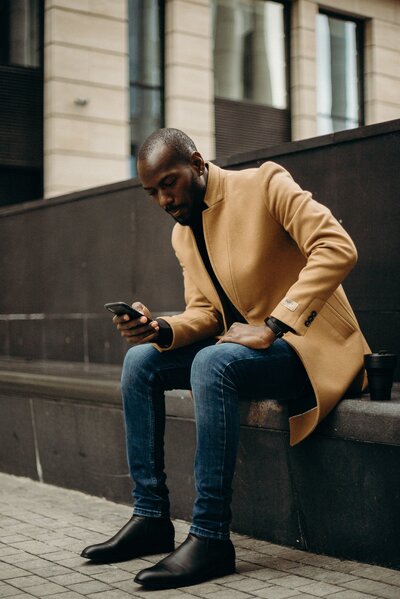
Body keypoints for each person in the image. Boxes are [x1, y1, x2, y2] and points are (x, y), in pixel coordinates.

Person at [81, 128, 369, 590]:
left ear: (196, 164)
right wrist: (161, 330)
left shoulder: (266, 184)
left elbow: (337, 247)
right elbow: (207, 313)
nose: (163, 200)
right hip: (247, 353)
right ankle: (151, 516)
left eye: (168, 183)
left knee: (211, 364)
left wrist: (275, 324)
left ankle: (212, 536)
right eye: (152, 191)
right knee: (141, 361)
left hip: (310, 349)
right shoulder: (184, 234)